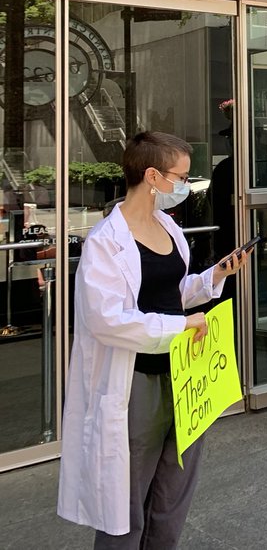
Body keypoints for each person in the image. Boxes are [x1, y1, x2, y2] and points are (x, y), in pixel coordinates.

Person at [58, 132, 252, 548]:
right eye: (179, 177)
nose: (184, 185)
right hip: (136, 384)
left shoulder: (168, 227)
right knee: (127, 497)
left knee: (174, 490)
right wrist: (177, 327)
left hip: (183, 375)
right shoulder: (105, 242)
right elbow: (106, 319)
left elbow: (172, 292)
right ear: (151, 176)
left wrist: (213, 277)